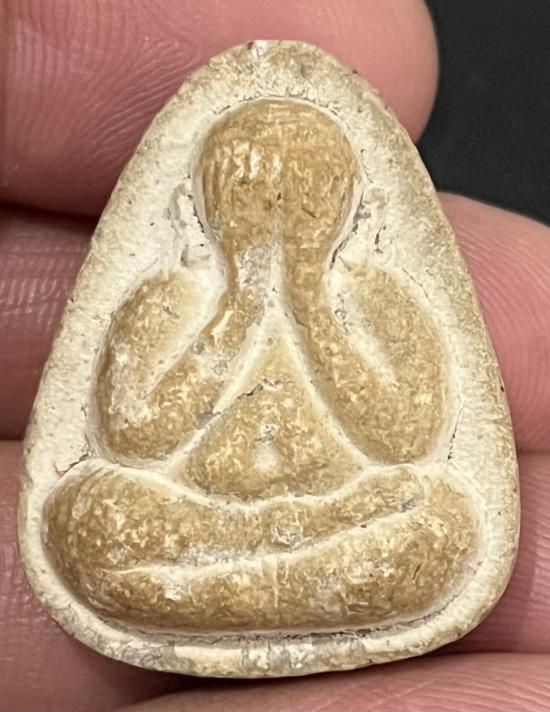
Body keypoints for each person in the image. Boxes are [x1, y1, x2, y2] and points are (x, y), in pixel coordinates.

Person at [1, 1, 549, 710]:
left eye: (304, 204)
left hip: (341, 512)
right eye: (252, 202)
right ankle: (275, 568)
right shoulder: (169, 294)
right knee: (88, 515)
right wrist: (238, 304)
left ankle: (231, 579)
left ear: (350, 210)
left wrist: (312, 303)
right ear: (200, 207)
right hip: (202, 515)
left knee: (444, 517)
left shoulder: (377, 295)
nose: (279, 221)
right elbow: (134, 437)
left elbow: (407, 437)